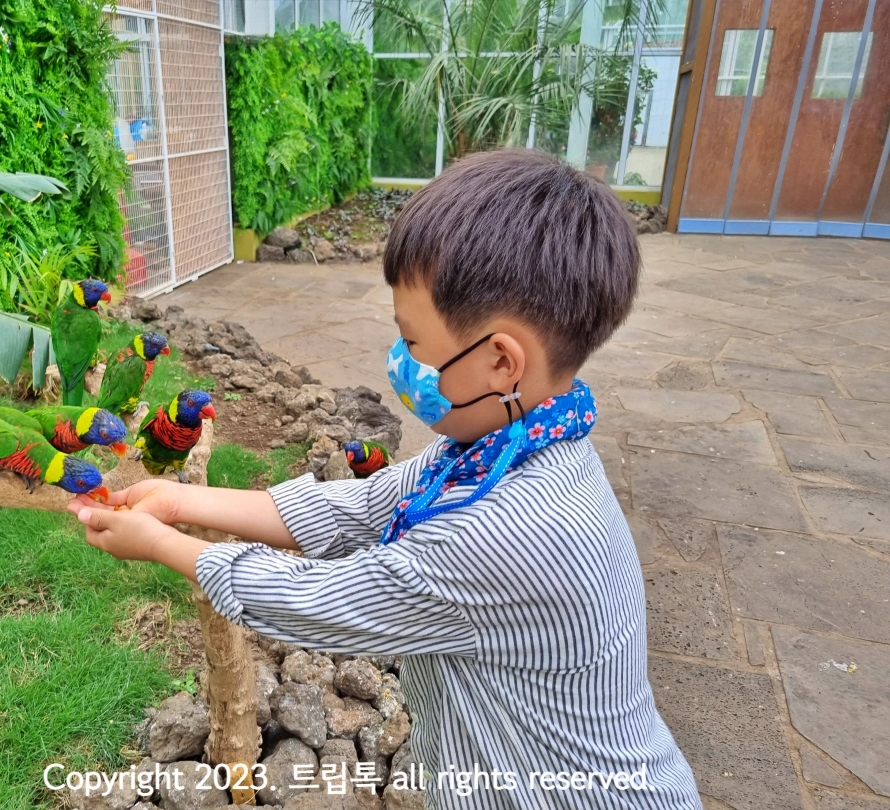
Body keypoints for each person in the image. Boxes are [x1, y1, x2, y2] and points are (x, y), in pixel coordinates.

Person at [68, 149, 702, 809]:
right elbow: (357, 506)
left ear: (500, 362)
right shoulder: (500, 448)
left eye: (415, 347)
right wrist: (181, 498)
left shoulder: (513, 530)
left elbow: (325, 600)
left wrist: (161, 543)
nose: (401, 366)